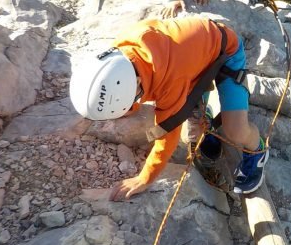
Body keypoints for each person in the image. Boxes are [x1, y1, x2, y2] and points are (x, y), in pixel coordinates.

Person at [69, 17, 268, 200]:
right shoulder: (117, 58)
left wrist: (145, 178)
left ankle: (257, 151)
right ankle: (202, 114)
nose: (133, 106)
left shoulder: (169, 81)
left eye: (133, 101)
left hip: (226, 52)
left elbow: (167, 135)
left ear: (137, 82)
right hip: (194, 56)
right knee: (192, 120)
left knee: (235, 131)